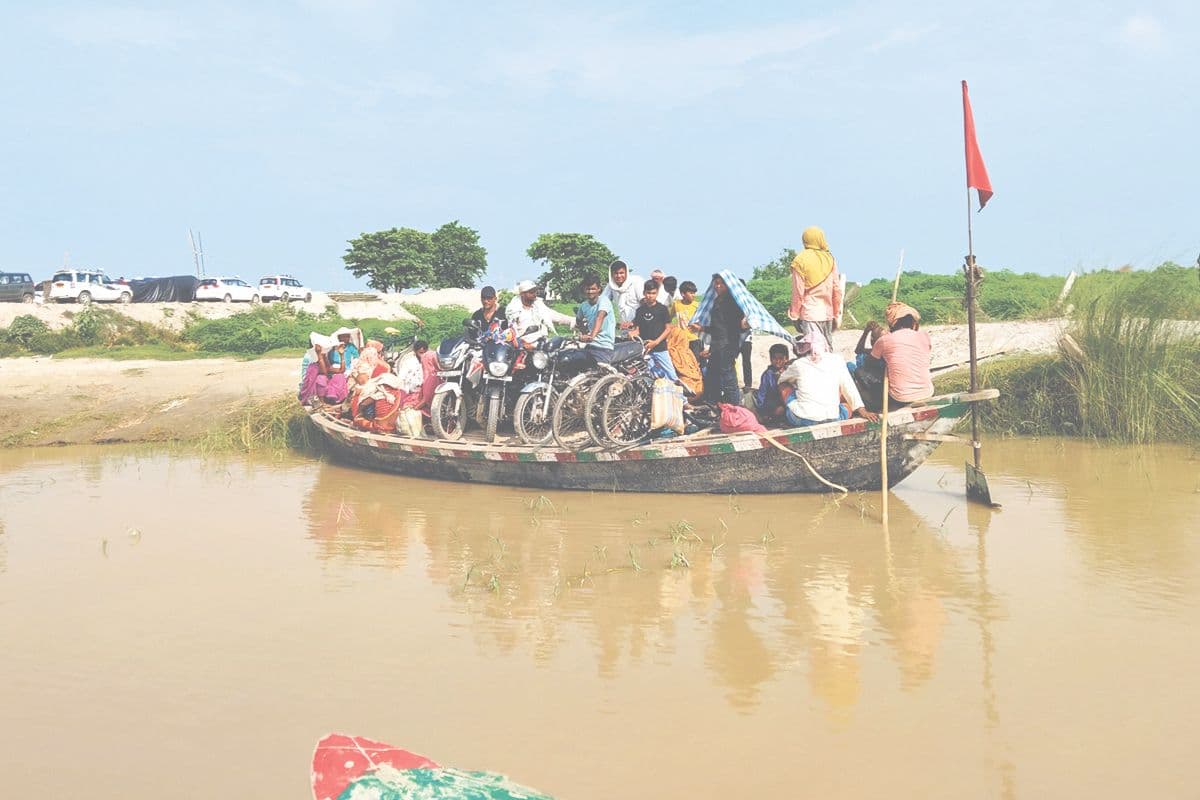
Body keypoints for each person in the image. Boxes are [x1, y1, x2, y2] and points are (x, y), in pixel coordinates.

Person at [779, 334, 878, 427]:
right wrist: (862, 410)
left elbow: (781, 380)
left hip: (804, 419)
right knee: (847, 407)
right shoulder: (837, 360)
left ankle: (784, 415)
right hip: (833, 417)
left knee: (783, 385)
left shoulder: (798, 364)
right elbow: (848, 386)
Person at [866, 302, 934, 410]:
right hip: (927, 392)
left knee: (865, 374)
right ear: (913, 322)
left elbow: (869, 363)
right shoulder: (924, 336)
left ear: (892, 323)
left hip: (901, 397)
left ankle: (875, 407)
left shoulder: (884, 340)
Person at [788, 226, 843, 348]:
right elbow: (837, 290)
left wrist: (794, 315)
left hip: (810, 313)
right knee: (827, 350)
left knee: (813, 353)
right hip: (827, 314)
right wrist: (836, 313)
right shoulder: (830, 259)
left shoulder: (800, 260)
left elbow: (798, 292)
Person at [700, 274, 746, 405]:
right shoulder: (717, 300)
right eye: (716, 283)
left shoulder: (732, 302)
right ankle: (716, 406)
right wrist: (702, 328)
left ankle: (735, 408)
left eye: (721, 283)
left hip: (727, 344)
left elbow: (736, 326)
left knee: (728, 377)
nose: (718, 286)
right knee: (712, 376)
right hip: (718, 344)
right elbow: (717, 327)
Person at [505, 280, 574, 342]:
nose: (535, 294)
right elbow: (513, 330)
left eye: (536, 291)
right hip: (524, 346)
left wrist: (573, 320)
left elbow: (557, 316)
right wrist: (521, 343)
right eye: (531, 292)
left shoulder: (539, 306)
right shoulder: (513, 309)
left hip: (542, 343)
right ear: (522, 294)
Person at [635, 280, 678, 380]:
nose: (650, 296)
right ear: (644, 293)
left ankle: (678, 394)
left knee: (671, 373)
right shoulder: (640, 310)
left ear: (657, 293)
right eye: (648, 293)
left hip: (660, 348)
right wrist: (632, 333)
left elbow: (668, 329)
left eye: (653, 293)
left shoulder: (662, 309)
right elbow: (637, 329)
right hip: (646, 349)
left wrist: (656, 342)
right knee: (648, 375)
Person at [577, 274, 616, 364]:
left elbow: (600, 317)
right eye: (587, 289)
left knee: (595, 371)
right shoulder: (584, 306)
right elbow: (579, 320)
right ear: (584, 289)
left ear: (599, 289)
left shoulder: (604, 301)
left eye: (593, 289)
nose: (590, 291)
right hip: (590, 346)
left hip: (604, 347)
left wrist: (592, 336)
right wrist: (584, 333)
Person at [753, 343, 791, 425]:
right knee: (779, 410)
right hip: (773, 403)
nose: (777, 361)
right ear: (770, 359)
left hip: (788, 401)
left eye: (781, 358)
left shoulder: (790, 372)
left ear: (786, 359)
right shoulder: (767, 374)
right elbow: (762, 394)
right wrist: (762, 410)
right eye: (775, 358)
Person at [603, 259, 644, 329]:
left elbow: (646, 304)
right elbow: (602, 302)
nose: (619, 276)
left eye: (621, 273)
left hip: (640, 324)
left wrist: (634, 322)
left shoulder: (636, 281)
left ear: (626, 273)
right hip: (623, 326)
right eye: (616, 273)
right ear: (611, 274)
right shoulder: (611, 285)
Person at [671, 280, 703, 362]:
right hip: (681, 340)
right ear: (683, 294)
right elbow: (669, 318)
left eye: (694, 293)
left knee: (696, 363)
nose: (694, 295)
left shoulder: (698, 305)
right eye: (691, 293)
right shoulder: (676, 304)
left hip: (695, 339)